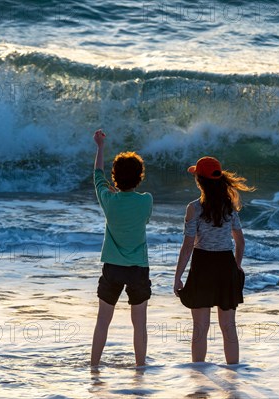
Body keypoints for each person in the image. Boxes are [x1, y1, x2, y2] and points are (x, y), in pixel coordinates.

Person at [173, 156, 254, 364]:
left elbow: (188, 245)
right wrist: (235, 267)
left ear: (199, 180)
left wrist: (178, 276)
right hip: (225, 264)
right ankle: (234, 378)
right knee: (229, 327)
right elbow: (241, 242)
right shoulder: (229, 207)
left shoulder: (194, 208)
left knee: (200, 328)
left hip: (203, 266)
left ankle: (199, 379)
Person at [90, 129, 153, 367]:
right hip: (138, 268)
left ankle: (94, 365)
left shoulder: (109, 200)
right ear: (140, 177)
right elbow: (143, 218)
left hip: (113, 268)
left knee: (103, 321)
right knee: (140, 324)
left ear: (115, 178)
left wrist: (100, 147)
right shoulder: (146, 200)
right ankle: (140, 367)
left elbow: (98, 176)